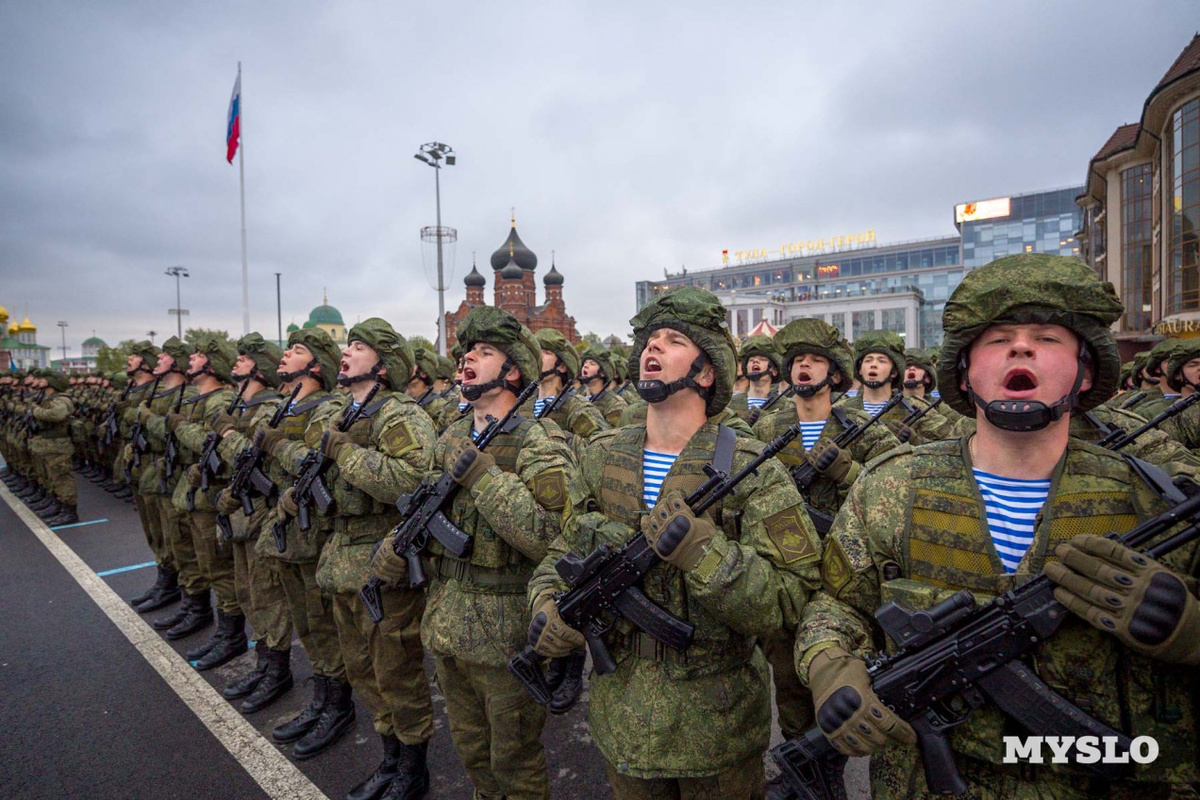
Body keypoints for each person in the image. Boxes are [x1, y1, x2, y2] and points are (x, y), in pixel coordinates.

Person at [795, 253, 1200, 798]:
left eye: (1049, 338)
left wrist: (1191, 631)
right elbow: (837, 604)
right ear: (964, 370)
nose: (1021, 347)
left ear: (1085, 372)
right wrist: (829, 667)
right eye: (997, 338)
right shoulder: (893, 487)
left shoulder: (1162, 498)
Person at [529, 287, 822, 798]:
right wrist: (548, 603)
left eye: (674, 340)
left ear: (706, 373)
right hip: (622, 720)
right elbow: (563, 549)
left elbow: (792, 597)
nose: (652, 348)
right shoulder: (601, 455)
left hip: (716, 728)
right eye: (648, 340)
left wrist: (706, 556)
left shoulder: (751, 468)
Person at [371, 307, 578, 800]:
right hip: (446, 624)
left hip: (505, 633)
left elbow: (554, 537)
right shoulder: (451, 437)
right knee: (471, 752)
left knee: (514, 761)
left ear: (512, 373)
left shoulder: (540, 442)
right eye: (467, 351)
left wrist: (485, 478)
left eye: (484, 353)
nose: (467, 359)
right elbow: (420, 504)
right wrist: (394, 546)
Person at [257, 328, 349, 758]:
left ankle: (337, 704)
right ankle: (321, 697)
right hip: (286, 531)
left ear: (316, 366)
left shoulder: (328, 406)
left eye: (296, 351)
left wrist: (275, 445)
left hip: (313, 533)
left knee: (322, 622)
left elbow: (315, 459)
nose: (285, 355)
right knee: (306, 624)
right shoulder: (283, 407)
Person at [209, 333, 296, 713]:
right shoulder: (243, 407)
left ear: (257, 369)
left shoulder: (267, 408)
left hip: (263, 512)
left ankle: (277, 670)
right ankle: (263, 662)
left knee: (267, 596)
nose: (236, 363)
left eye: (243, 359)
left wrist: (226, 434)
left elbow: (252, 459)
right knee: (247, 592)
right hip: (243, 513)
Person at [526, 328, 609, 443]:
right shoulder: (523, 405)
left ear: (562, 366)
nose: (538, 356)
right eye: (537, 351)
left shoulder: (575, 406)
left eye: (547, 353)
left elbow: (600, 445)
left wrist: (559, 440)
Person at [726, 334, 783, 424]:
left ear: (774, 370)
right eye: (751, 359)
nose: (755, 361)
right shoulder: (730, 405)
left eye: (762, 359)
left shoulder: (785, 406)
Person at [579, 344, 628, 426]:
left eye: (592, 364)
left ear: (602, 373)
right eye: (585, 363)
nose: (585, 366)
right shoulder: (578, 398)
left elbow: (613, 434)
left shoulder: (615, 403)